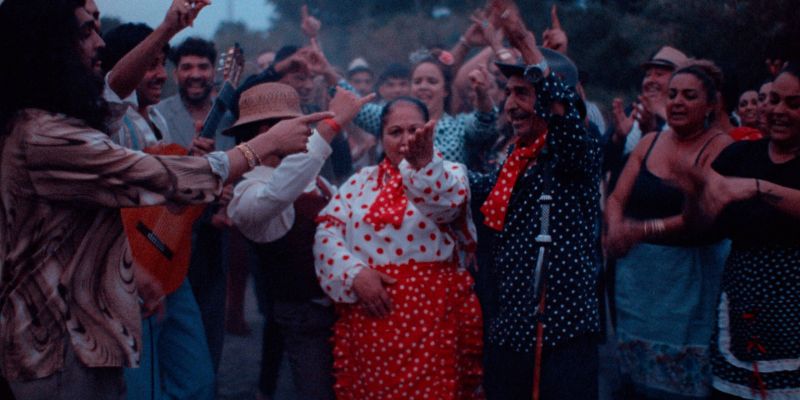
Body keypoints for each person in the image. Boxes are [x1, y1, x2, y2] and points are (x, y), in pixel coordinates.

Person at [0, 0, 327, 398]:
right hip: (57, 347)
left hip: (94, 326)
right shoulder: (44, 136)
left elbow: (111, 97)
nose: (100, 43)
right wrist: (265, 144)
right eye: (86, 32)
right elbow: (161, 177)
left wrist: (168, 28)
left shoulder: (59, 121)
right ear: (48, 46)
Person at [465, 3, 602, 398]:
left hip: (561, 334)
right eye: (508, 93)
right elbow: (482, 187)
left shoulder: (578, 152)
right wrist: (429, 168)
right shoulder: (515, 156)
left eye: (522, 94)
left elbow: (565, 116)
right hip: (511, 328)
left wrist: (524, 42)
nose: (509, 105)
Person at [314, 97, 483, 399]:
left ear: (429, 133)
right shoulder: (358, 184)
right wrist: (354, 274)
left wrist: (422, 167)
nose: (406, 140)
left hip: (434, 319)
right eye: (395, 132)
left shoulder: (451, 174)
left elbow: (446, 207)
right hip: (371, 321)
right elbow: (327, 233)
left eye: (414, 130)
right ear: (380, 138)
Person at [227, 83, 372, 400]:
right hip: (303, 318)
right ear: (268, 131)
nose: (306, 132)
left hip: (342, 312)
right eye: (299, 125)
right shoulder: (246, 191)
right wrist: (331, 127)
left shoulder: (311, 175)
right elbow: (278, 193)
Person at [605, 62, 734, 399]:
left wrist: (641, 230)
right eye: (672, 94)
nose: (677, 101)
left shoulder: (720, 146)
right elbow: (618, 196)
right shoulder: (648, 142)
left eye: (689, 96)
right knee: (635, 378)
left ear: (711, 105)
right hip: (638, 280)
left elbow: (703, 214)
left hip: (689, 280)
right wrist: (616, 228)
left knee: (681, 385)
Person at [698, 62, 800, 400]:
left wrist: (756, 188)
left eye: (793, 104)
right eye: (773, 100)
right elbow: (704, 216)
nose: (778, 111)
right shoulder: (740, 155)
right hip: (744, 307)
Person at [155, 35, 236, 370]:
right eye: (186, 67)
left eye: (203, 66)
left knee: (210, 330)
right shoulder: (160, 115)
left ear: (214, 72)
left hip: (216, 240)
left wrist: (229, 198)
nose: (195, 73)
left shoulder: (230, 117)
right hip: (167, 240)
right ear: (176, 74)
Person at [348, 50, 498, 165]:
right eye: (418, 82)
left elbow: (485, 125)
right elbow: (355, 107)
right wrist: (327, 72)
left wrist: (482, 95)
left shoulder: (460, 125)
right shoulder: (392, 120)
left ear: (445, 90)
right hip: (399, 202)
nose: (423, 87)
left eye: (432, 81)